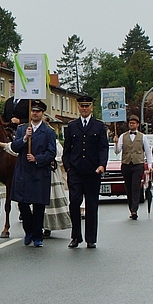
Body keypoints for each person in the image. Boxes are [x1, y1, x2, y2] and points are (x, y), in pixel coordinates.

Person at [62, 95, 109, 249]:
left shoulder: (99, 127)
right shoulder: (72, 126)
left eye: (87, 106)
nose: (84, 109)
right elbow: (67, 149)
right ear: (78, 108)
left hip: (93, 171)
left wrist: (102, 165)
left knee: (91, 204)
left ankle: (91, 238)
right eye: (82, 106)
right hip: (75, 171)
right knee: (74, 203)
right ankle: (76, 237)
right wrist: (68, 166)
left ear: (91, 108)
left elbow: (103, 148)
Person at [10, 99, 56, 246]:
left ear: (42, 113)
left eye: (38, 111)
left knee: (38, 206)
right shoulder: (22, 129)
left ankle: (37, 236)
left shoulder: (48, 132)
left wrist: (37, 159)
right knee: (22, 204)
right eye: (33, 111)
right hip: (23, 171)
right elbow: (14, 147)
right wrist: (25, 138)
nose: (35, 113)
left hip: (39, 172)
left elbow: (51, 152)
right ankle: (28, 231)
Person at [114, 114, 152, 220]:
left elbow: (148, 152)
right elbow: (117, 152)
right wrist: (116, 143)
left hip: (138, 165)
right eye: (130, 123)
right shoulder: (123, 136)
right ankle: (131, 208)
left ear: (137, 125)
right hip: (126, 165)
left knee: (135, 186)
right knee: (128, 187)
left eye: (133, 123)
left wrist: (149, 165)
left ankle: (134, 209)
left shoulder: (142, 137)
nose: (131, 124)